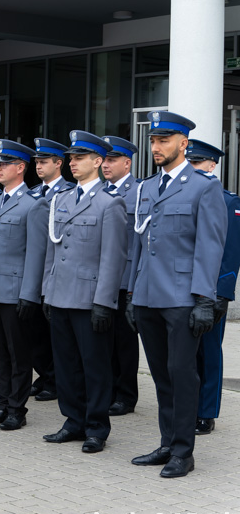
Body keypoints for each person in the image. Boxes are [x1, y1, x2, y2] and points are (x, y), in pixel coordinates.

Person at [127, 113, 226, 478]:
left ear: (183, 143)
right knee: (160, 375)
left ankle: (184, 452)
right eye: (153, 140)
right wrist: (132, 293)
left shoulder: (203, 187)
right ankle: (167, 442)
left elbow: (209, 246)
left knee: (182, 373)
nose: (156, 147)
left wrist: (204, 298)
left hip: (183, 297)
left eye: (164, 140)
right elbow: (137, 245)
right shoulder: (146, 187)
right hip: (148, 295)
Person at [42, 131, 126, 454]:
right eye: (71, 158)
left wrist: (104, 301)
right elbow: (53, 248)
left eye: (79, 158)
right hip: (61, 294)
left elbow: (113, 257)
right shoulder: (61, 199)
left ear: (97, 161)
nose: (72, 163)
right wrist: (47, 291)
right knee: (66, 365)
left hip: (90, 298)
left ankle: (96, 427)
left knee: (95, 366)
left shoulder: (110, 203)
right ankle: (73, 421)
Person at [0, 140, 47, 430]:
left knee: (18, 354)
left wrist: (29, 294)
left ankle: (17, 408)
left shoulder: (33, 204)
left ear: (21, 168)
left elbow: (36, 253)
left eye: (4, 164)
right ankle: (2, 404)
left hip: (14, 292)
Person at [184, 139, 240, 436]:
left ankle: (206, 411)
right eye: (189, 162)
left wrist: (222, 293)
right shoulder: (184, 195)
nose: (193, 168)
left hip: (211, 291)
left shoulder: (228, 200)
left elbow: (230, 252)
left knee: (208, 352)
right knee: (185, 353)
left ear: (212, 164)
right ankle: (187, 407)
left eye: (197, 163)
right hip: (183, 286)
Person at [26, 138, 76, 402]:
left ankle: (55, 380)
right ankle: (43, 374)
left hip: (55, 271)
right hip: (32, 271)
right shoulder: (32, 193)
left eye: (44, 162)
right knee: (34, 330)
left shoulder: (68, 192)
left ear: (59, 163)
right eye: (36, 162)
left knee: (53, 332)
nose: (39, 166)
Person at [100, 136, 142, 416]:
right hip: (102, 276)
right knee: (103, 339)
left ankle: (126, 395)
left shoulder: (139, 191)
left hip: (125, 277)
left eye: (112, 159)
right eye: (104, 159)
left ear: (127, 163)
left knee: (124, 342)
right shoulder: (99, 192)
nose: (106, 165)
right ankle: (108, 389)